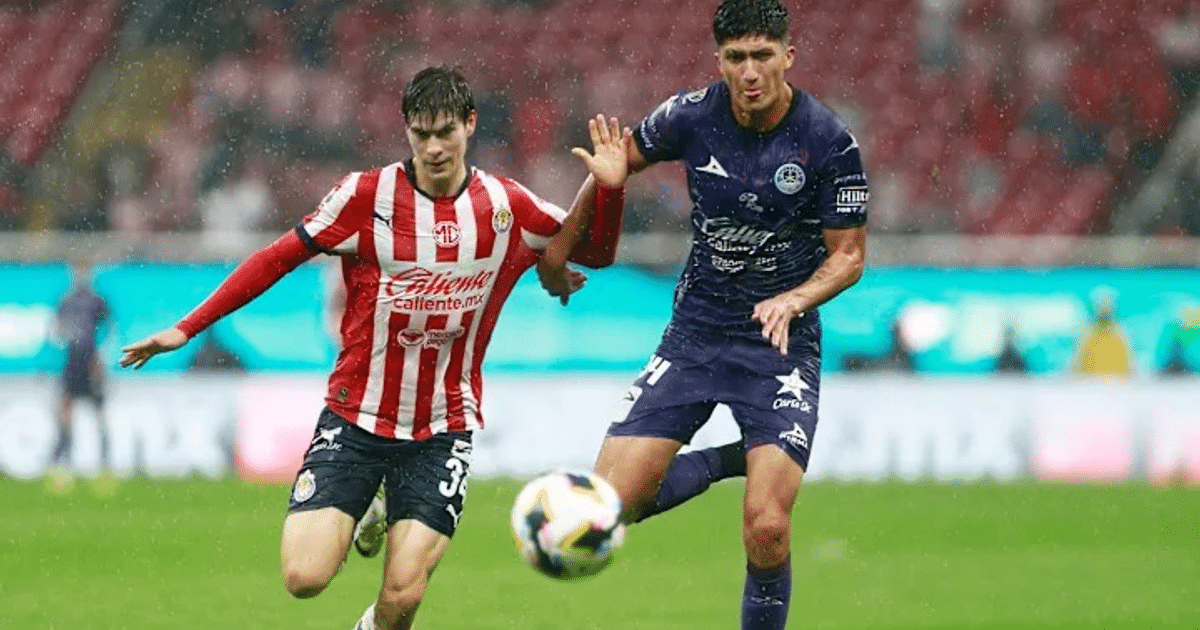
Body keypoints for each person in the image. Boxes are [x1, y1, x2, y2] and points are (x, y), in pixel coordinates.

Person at [119, 66, 628, 630]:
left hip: (442, 425)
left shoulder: (504, 207)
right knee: (304, 578)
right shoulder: (364, 197)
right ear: (407, 131)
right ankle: (370, 503)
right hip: (355, 416)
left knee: (402, 598)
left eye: (445, 133)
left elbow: (597, 251)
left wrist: (607, 187)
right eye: (421, 134)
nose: (433, 148)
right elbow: (276, 258)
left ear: (470, 125)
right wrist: (187, 328)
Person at [538, 2, 868, 629]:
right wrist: (559, 252)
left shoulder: (829, 140)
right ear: (719, 60)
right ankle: (728, 457)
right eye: (737, 57)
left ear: (787, 57)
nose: (750, 71)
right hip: (695, 334)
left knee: (766, 525)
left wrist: (794, 299)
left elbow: (848, 257)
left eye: (762, 55)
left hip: (779, 345)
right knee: (607, 507)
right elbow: (613, 166)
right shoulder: (688, 116)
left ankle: (745, 463)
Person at [48, 258, 114, 494]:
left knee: (99, 416)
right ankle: (61, 468)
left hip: (90, 365)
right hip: (72, 365)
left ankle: (104, 469)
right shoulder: (67, 301)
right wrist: (63, 336)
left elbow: (111, 330)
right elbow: (55, 331)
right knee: (65, 416)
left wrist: (101, 355)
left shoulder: (96, 302)